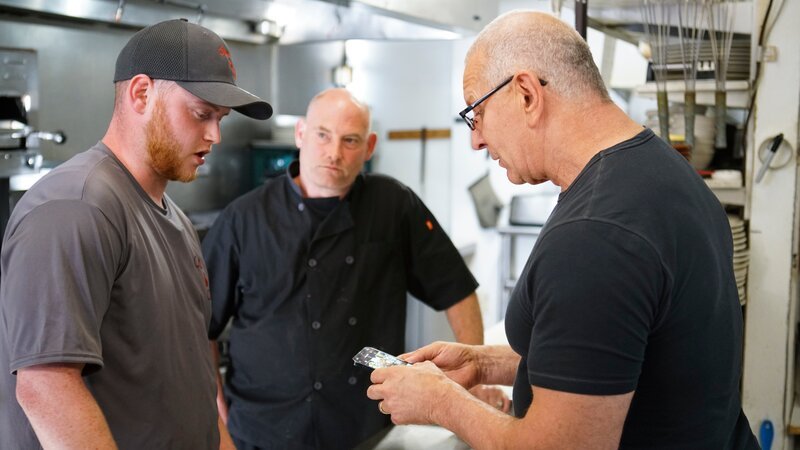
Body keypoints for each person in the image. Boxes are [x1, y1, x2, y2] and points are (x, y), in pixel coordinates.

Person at [367, 10, 759, 449]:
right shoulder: (664, 171)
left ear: (527, 94)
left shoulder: (594, 236)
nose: (475, 140)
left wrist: (442, 402)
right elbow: (612, 356)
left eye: (475, 113)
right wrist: (482, 363)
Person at [0, 19, 272, 449]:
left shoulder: (176, 222)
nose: (215, 135)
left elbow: (195, 384)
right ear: (141, 92)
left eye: (220, 119)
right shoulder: (76, 207)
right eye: (202, 114)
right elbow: (47, 387)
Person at [202, 87, 502, 449]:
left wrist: (474, 381)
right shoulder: (243, 219)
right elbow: (202, 329)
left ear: (369, 146)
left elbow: (457, 290)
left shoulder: (392, 205)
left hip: (368, 427)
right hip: (262, 430)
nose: (334, 153)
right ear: (301, 134)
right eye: (323, 136)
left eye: (350, 140)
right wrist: (219, 425)